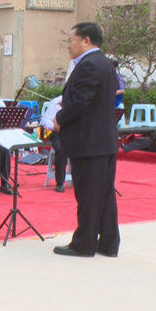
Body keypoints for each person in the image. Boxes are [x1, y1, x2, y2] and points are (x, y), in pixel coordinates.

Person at [52, 22, 119, 258]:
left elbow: (79, 103)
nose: (68, 45)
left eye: (71, 40)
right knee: (105, 195)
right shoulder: (105, 63)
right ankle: (108, 243)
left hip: (88, 142)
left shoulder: (88, 65)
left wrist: (59, 119)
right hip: (104, 140)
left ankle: (84, 243)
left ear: (86, 41)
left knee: (89, 195)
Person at [41, 96, 67, 192]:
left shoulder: (82, 99)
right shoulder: (56, 101)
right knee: (60, 148)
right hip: (58, 134)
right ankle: (60, 182)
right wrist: (54, 126)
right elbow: (45, 120)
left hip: (76, 134)